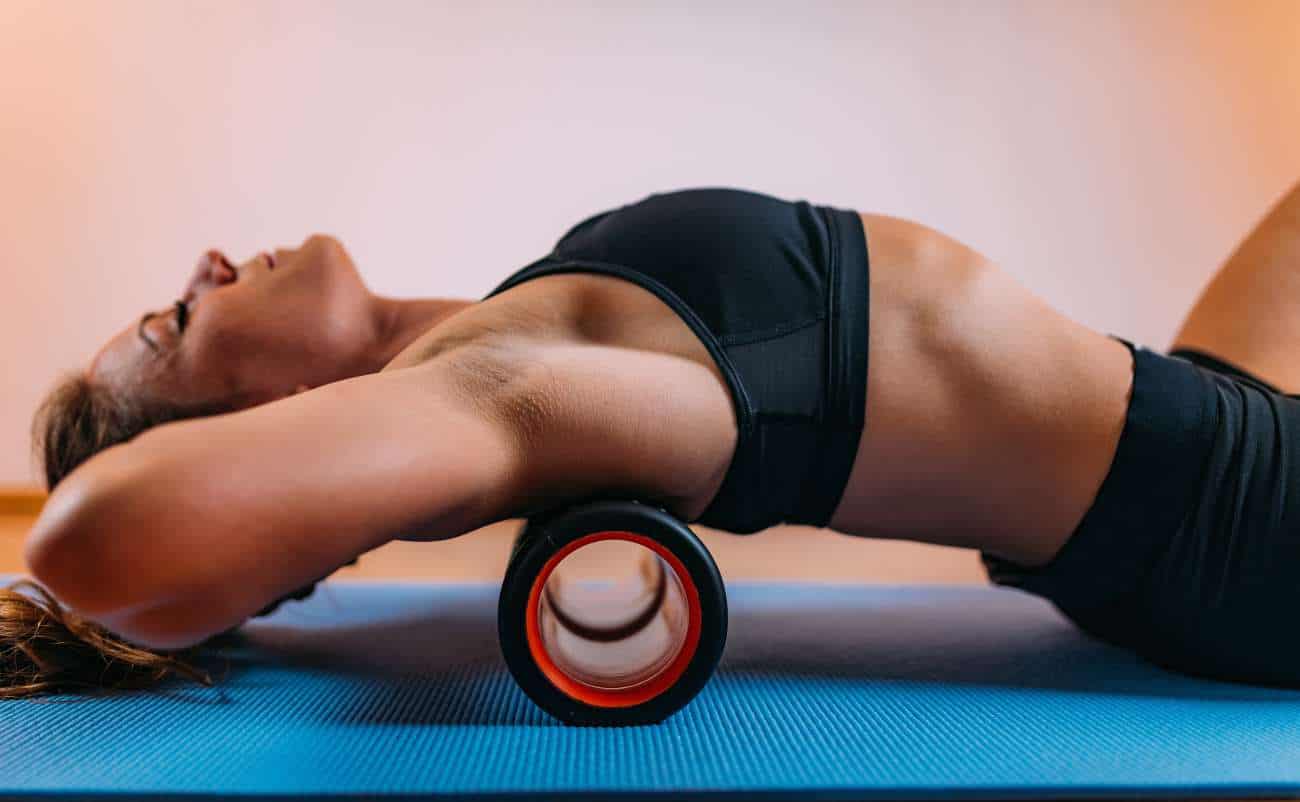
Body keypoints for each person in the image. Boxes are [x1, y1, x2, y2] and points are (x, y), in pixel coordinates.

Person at [4, 183, 1300, 699]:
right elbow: (98, 536)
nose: (211, 264)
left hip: (1192, 425)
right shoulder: (499, 389)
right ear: (264, 430)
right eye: (179, 321)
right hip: (1253, 526)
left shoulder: (511, 330)